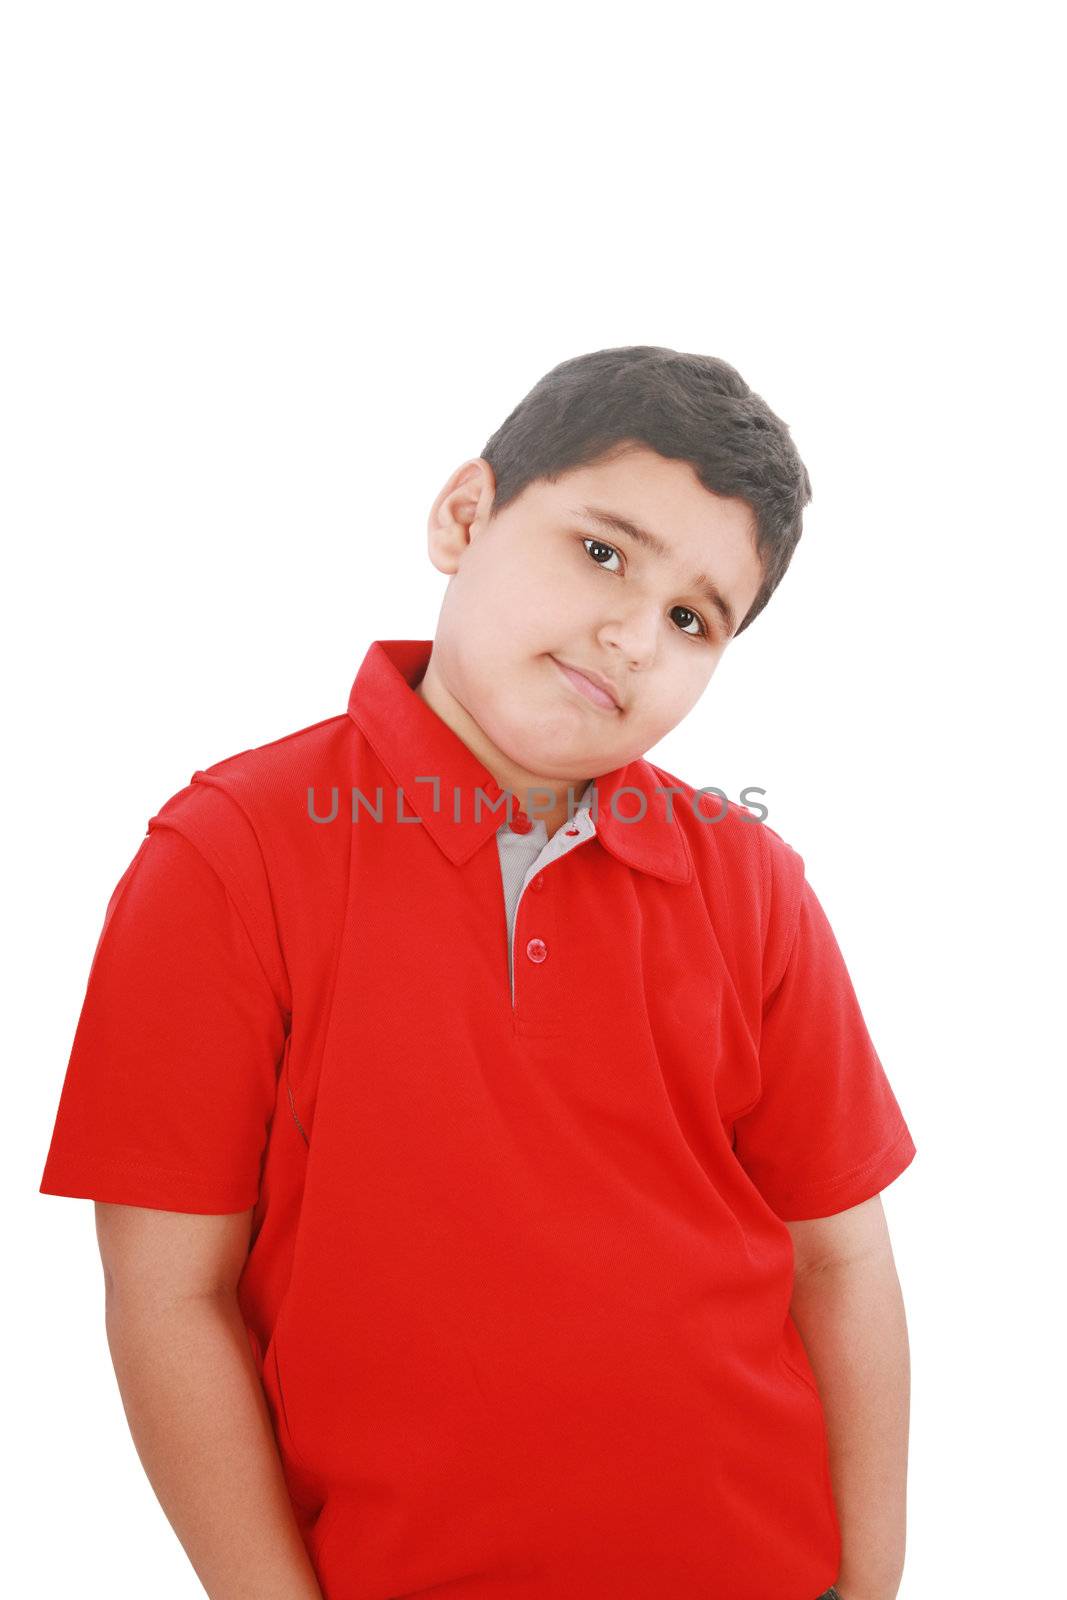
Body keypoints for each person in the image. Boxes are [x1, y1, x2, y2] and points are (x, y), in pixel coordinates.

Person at [39, 345, 916, 1600]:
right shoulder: (228, 855)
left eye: (690, 618)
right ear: (463, 518)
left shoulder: (748, 877)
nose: (628, 634)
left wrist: (868, 1586)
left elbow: (840, 1260)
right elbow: (167, 1298)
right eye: (601, 551)